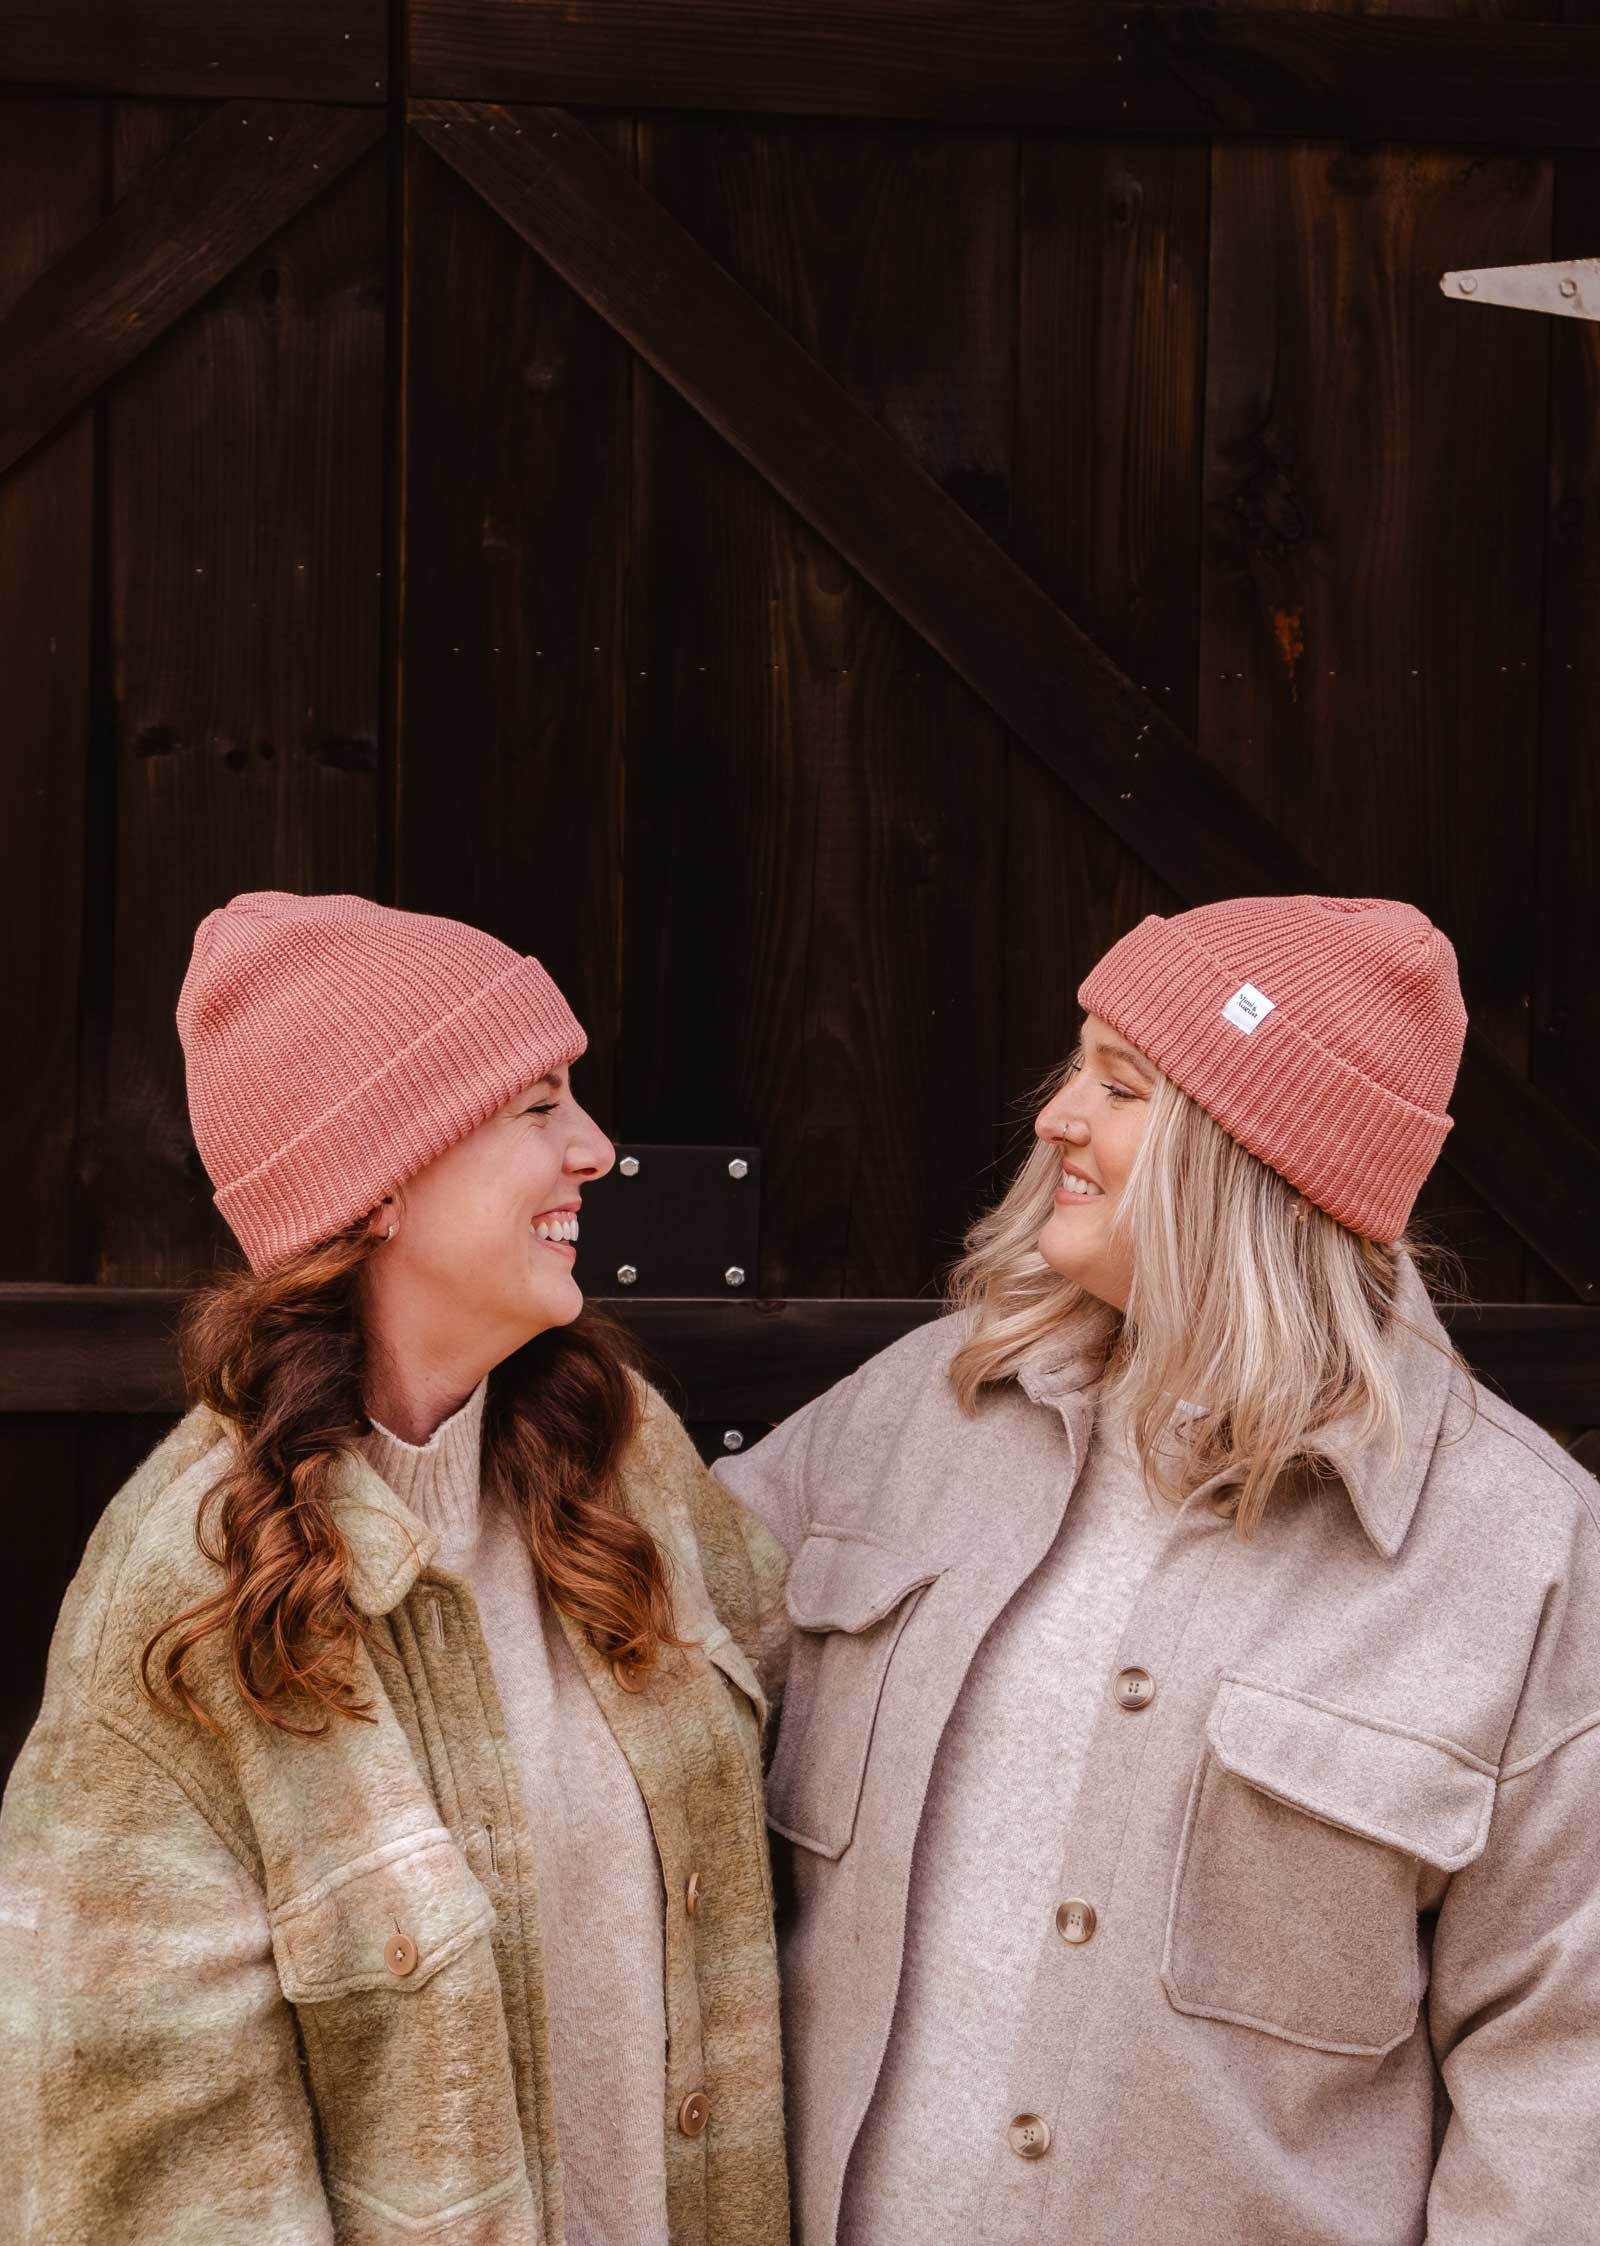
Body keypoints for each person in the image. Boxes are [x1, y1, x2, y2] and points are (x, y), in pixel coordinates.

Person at [716, 893, 1600, 2245]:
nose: (1055, 1117)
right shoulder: (908, 1419)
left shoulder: (1526, 1556)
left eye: (1119, 1087)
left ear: (1253, 1157)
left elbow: (1558, 2092)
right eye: (1077, 1068)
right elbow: (620, 1653)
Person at [0, 891, 789, 2246]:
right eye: (538, 1105)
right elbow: (143, 2194)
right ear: (378, 1181)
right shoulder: (189, 1600)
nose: (596, 1148)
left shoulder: (624, 1458)